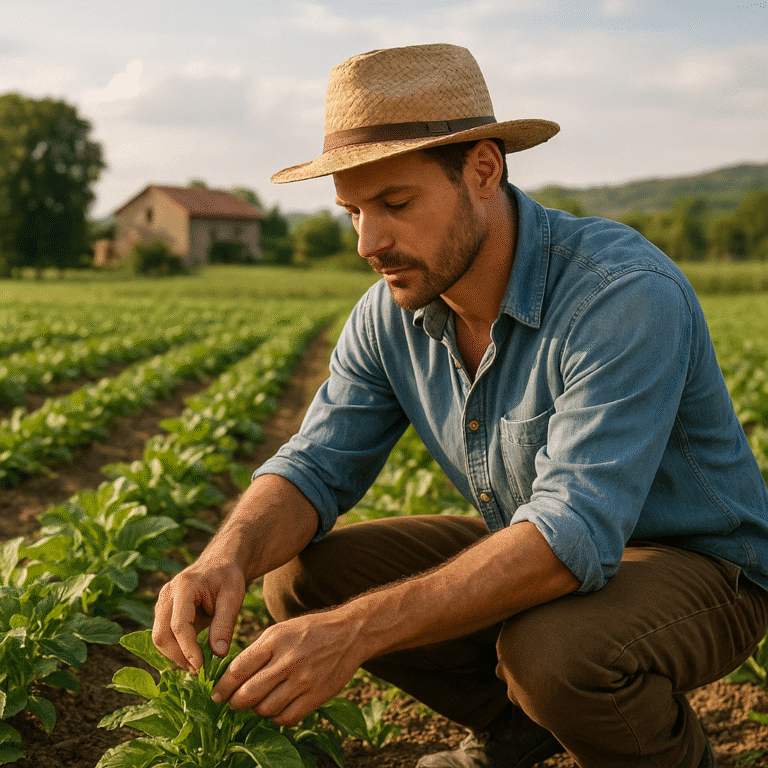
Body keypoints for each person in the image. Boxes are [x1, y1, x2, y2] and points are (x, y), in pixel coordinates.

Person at [152, 44, 768, 768]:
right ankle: (518, 731)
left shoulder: (619, 293)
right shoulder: (390, 313)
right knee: (302, 579)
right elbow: (316, 464)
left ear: (483, 169)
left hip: (699, 567)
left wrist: (354, 633)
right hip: (546, 546)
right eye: (352, 210)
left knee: (554, 652)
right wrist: (226, 556)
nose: (368, 241)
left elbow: (574, 532)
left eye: (396, 204)